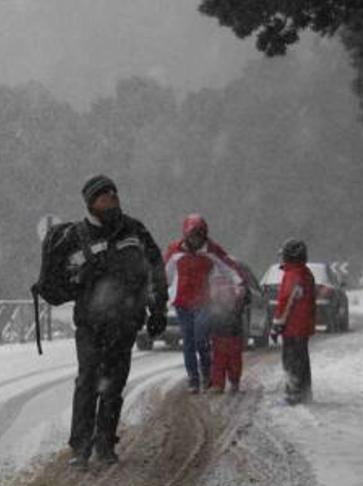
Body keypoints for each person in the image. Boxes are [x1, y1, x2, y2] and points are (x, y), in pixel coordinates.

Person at [60, 174, 168, 469]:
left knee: (113, 384)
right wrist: (79, 277)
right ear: (91, 203)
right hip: (90, 324)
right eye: (104, 196)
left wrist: (159, 309)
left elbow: (155, 268)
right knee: (88, 382)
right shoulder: (76, 236)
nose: (112, 199)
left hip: (126, 323)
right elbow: (62, 280)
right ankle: (80, 448)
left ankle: (105, 444)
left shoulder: (134, 229)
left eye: (114, 194)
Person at [163, 214, 245, 394]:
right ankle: (193, 378)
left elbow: (228, 266)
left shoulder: (211, 250)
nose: (196, 240)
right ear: (186, 235)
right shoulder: (175, 251)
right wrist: (162, 291)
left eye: (200, 236)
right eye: (193, 236)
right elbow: (165, 273)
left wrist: (239, 283)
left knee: (201, 339)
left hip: (203, 301)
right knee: (188, 342)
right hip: (182, 302)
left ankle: (207, 373)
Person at [271, 238, 316, 405]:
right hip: (303, 325)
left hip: (292, 326)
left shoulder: (292, 275)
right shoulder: (306, 273)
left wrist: (277, 325)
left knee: (291, 360)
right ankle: (305, 392)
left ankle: (293, 394)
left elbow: (285, 301)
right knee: (302, 359)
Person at [208, 270, 247, 394]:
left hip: (219, 328)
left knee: (219, 359)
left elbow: (207, 304)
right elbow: (245, 300)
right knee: (234, 358)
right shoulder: (237, 282)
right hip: (234, 329)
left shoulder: (212, 283)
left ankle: (218, 384)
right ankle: (234, 382)